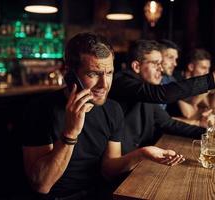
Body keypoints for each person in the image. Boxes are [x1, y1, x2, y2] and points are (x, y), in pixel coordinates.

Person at [21, 33, 183, 200]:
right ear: (69, 74)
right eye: (93, 74)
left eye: (109, 73)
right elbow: (41, 184)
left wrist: (142, 154)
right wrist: (70, 134)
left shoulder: (112, 109)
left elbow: (108, 170)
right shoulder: (39, 109)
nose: (104, 85)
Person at [110, 39, 215, 153]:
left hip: (138, 161)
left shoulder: (146, 90)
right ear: (136, 66)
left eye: (161, 63)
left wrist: (210, 133)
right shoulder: (122, 81)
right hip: (119, 168)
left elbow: (169, 123)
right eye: (156, 63)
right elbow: (162, 94)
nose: (161, 68)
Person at [169, 49, 215, 126]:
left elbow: (211, 106)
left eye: (208, 68)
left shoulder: (196, 82)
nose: (207, 72)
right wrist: (206, 87)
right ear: (191, 67)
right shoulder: (177, 81)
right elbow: (189, 114)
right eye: (203, 68)